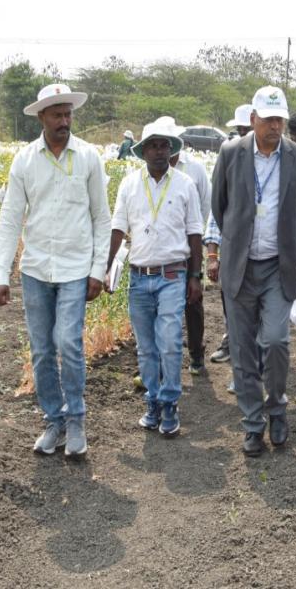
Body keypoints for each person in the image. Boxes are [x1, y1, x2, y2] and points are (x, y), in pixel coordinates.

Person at [0, 83, 111, 457]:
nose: (64, 121)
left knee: (69, 343)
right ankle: (54, 420)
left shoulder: (88, 157)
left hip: (75, 269)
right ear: (41, 117)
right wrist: (1, 274)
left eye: (68, 114)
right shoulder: (25, 161)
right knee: (42, 350)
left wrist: (98, 270)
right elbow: (10, 217)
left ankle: (75, 420)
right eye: (57, 115)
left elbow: (101, 217)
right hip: (36, 270)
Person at [211, 86, 296, 457]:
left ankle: (277, 407)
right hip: (240, 268)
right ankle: (253, 424)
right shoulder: (230, 153)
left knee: (274, 341)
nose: (275, 127)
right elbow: (219, 206)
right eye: (268, 120)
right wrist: (235, 243)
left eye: (279, 120)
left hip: (276, 267)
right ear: (253, 119)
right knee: (242, 352)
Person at [105, 118, 203, 436]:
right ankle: (153, 400)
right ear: (143, 151)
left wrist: (196, 276)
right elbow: (118, 228)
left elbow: (195, 233)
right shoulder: (129, 185)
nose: (160, 151)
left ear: (171, 149)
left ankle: (170, 403)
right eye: (153, 146)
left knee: (170, 342)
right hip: (139, 278)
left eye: (165, 145)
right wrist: (105, 267)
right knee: (146, 348)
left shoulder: (185, 184)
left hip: (172, 275)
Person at [158, 116, 212, 375]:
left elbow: (205, 206)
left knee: (193, 300)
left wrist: (197, 239)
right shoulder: (150, 168)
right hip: (162, 247)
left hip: (190, 245)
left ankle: (196, 353)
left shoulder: (195, 169)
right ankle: (160, 360)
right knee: (160, 304)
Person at [208, 105, 254, 366]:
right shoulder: (228, 155)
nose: (244, 134)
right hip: (233, 246)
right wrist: (213, 254)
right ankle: (232, 342)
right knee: (231, 300)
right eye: (240, 130)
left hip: (261, 249)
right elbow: (217, 208)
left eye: (247, 129)